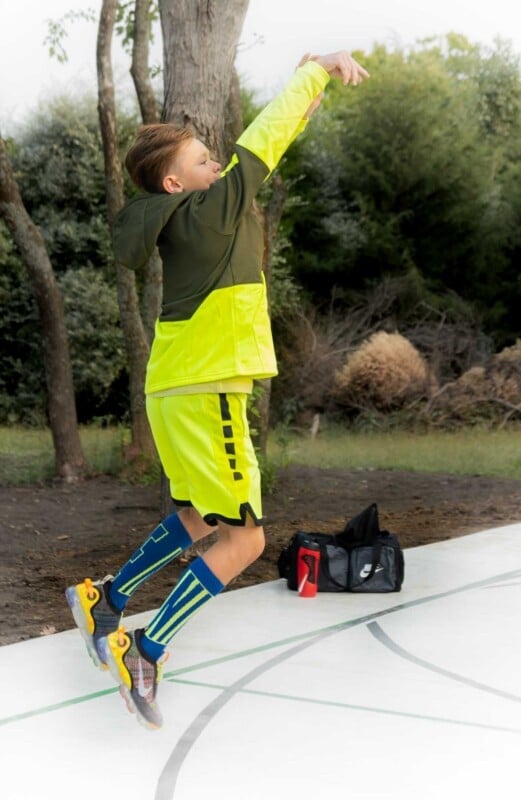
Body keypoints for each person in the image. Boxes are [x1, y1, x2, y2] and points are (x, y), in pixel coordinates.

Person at [66, 50, 369, 730]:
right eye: (204, 159)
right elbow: (264, 139)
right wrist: (316, 69)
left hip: (174, 389)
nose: (216, 166)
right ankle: (144, 648)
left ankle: (105, 599)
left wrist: (305, 92)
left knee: (205, 515)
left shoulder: (185, 221)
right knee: (246, 540)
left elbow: (279, 134)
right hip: (210, 391)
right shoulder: (210, 207)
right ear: (174, 181)